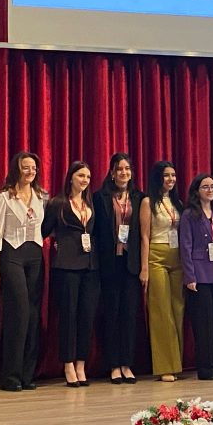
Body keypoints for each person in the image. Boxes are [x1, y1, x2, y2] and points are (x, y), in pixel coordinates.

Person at [0, 151, 47, 391]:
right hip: (11, 255)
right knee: (19, 313)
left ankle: (26, 374)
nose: (30, 171)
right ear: (16, 169)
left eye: (34, 167)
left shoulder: (41, 196)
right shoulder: (3, 197)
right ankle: (10, 375)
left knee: (32, 315)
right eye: (26, 167)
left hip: (35, 255)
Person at [42, 160, 99, 387]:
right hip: (66, 267)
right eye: (80, 176)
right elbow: (44, 231)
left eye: (88, 177)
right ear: (71, 177)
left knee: (86, 316)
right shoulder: (58, 203)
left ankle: (81, 364)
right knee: (68, 316)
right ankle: (67, 364)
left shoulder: (90, 203)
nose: (85, 180)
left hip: (90, 267)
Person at [179, 174, 213, 380]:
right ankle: (205, 367)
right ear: (197, 191)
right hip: (199, 274)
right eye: (205, 187)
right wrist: (189, 276)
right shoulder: (189, 215)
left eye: (212, 186)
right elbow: (185, 247)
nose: (210, 190)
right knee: (203, 322)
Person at [93, 152, 142, 384]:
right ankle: (113, 365)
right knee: (111, 314)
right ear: (112, 173)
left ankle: (126, 364)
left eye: (127, 169)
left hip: (131, 264)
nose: (124, 173)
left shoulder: (139, 198)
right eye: (119, 169)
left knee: (129, 315)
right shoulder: (100, 197)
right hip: (109, 263)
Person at [139, 160, 185, 382]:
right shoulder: (148, 202)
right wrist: (144, 267)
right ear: (158, 177)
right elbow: (144, 236)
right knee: (161, 311)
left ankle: (177, 363)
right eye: (167, 175)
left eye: (173, 175)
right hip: (156, 256)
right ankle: (165, 366)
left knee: (178, 309)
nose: (171, 179)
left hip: (177, 258)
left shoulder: (177, 203)